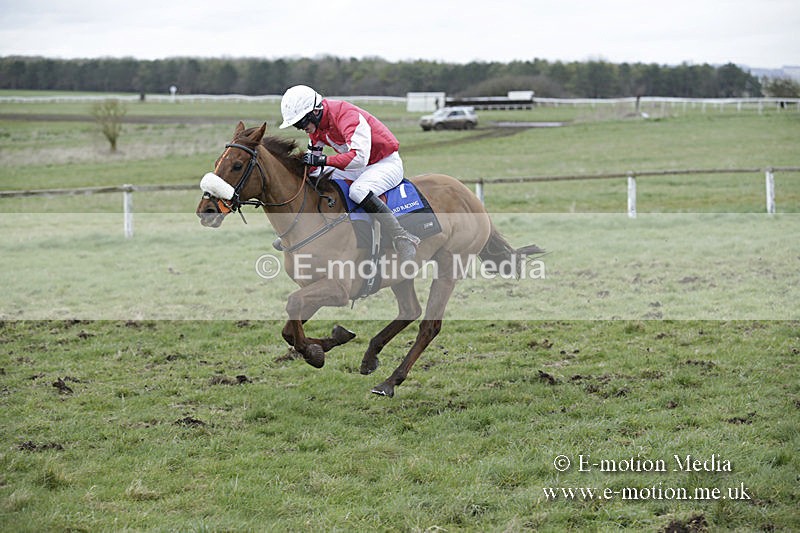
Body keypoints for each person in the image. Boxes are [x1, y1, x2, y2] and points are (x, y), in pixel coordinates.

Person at [279, 85, 420, 262]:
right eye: (296, 125)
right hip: (359, 166)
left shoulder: (346, 116)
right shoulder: (317, 127)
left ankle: (402, 237)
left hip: (384, 163)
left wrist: (323, 160)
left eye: (301, 123)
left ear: (315, 112)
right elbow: (313, 165)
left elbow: (359, 158)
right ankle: (298, 229)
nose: (300, 128)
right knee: (313, 177)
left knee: (358, 191)